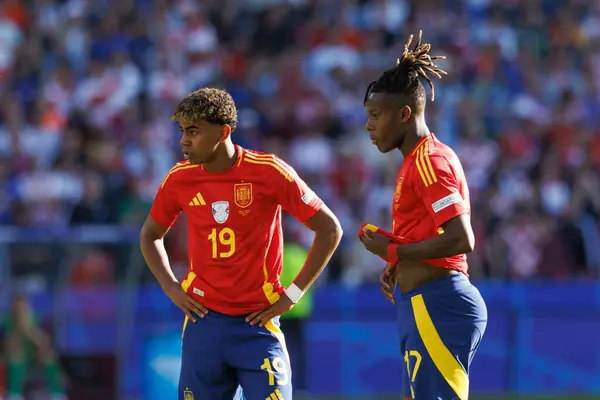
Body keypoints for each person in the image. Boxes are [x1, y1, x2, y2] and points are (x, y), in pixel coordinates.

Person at [139, 88, 343, 400]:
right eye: (182, 131)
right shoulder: (179, 178)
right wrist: (171, 287)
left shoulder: (268, 171)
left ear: (223, 132)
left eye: (193, 131)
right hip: (203, 321)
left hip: (258, 323)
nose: (184, 141)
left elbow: (329, 229)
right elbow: (150, 235)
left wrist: (293, 295)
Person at [358, 31, 488, 400]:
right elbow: (429, 238)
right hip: (420, 304)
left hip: (441, 305)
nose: (368, 125)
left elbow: (462, 238)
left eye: (375, 115)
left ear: (404, 114)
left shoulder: (431, 161)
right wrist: (398, 265)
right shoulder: (413, 162)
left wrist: (396, 252)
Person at [3, 294, 66, 400]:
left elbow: (44, 343)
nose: (22, 311)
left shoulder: (36, 319)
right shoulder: (8, 321)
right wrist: (20, 330)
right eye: (19, 308)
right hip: (16, 356)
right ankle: (14, 394)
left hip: (35, 356)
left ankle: (57, 394)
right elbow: (10, 345)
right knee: (16, 357)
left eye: (24, 308)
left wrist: (31, 333)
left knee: (49, 356)